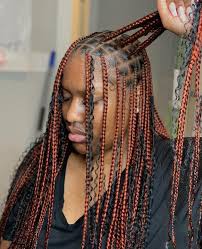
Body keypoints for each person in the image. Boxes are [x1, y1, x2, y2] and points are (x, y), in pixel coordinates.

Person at [0, 0, 201, 248]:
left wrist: (197, 31)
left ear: (136, 97)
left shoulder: (183, 170)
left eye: (90, 100)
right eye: (65, 97)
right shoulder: (42, 164)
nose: (71, 114)